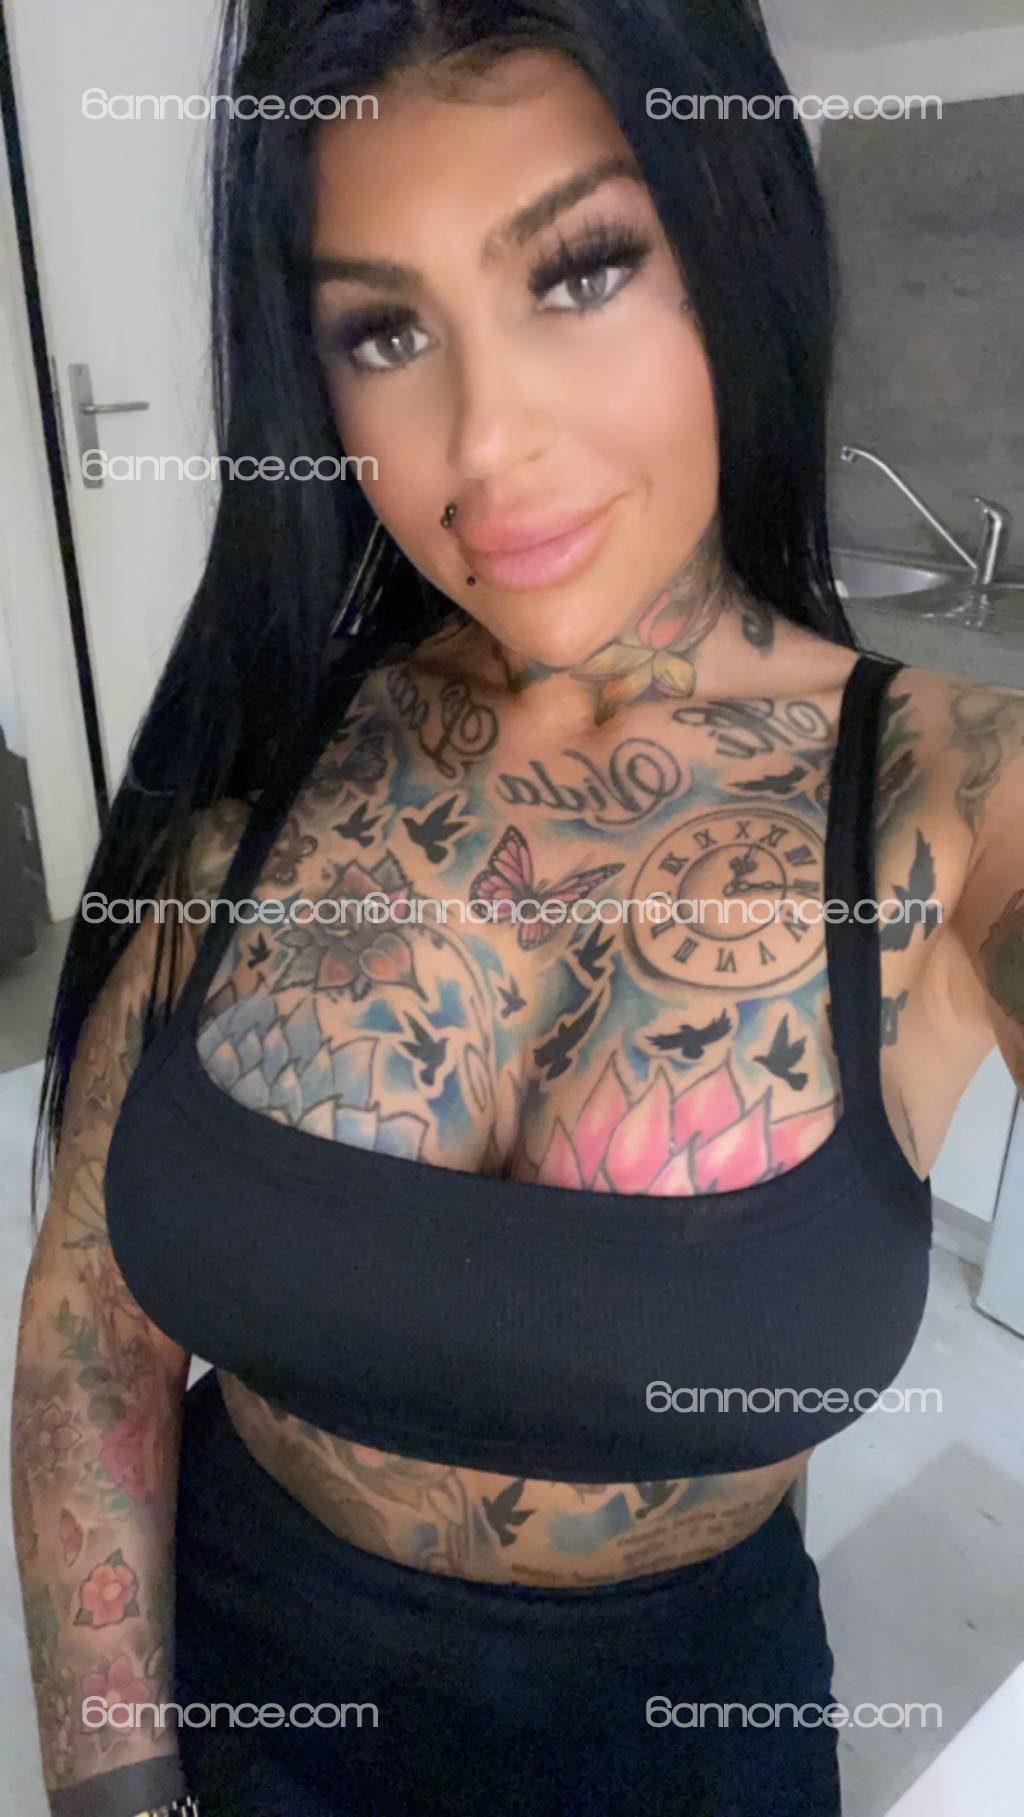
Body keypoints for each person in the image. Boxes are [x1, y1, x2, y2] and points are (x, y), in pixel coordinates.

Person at [12, 3, 1024, 1813]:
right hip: (245, 1716)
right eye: (385, 331)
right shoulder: (258, 774)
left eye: (581, 271)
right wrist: (117, 1785)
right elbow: (94, 1340)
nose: (485, 442)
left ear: (735, 245)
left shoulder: (956, 799)